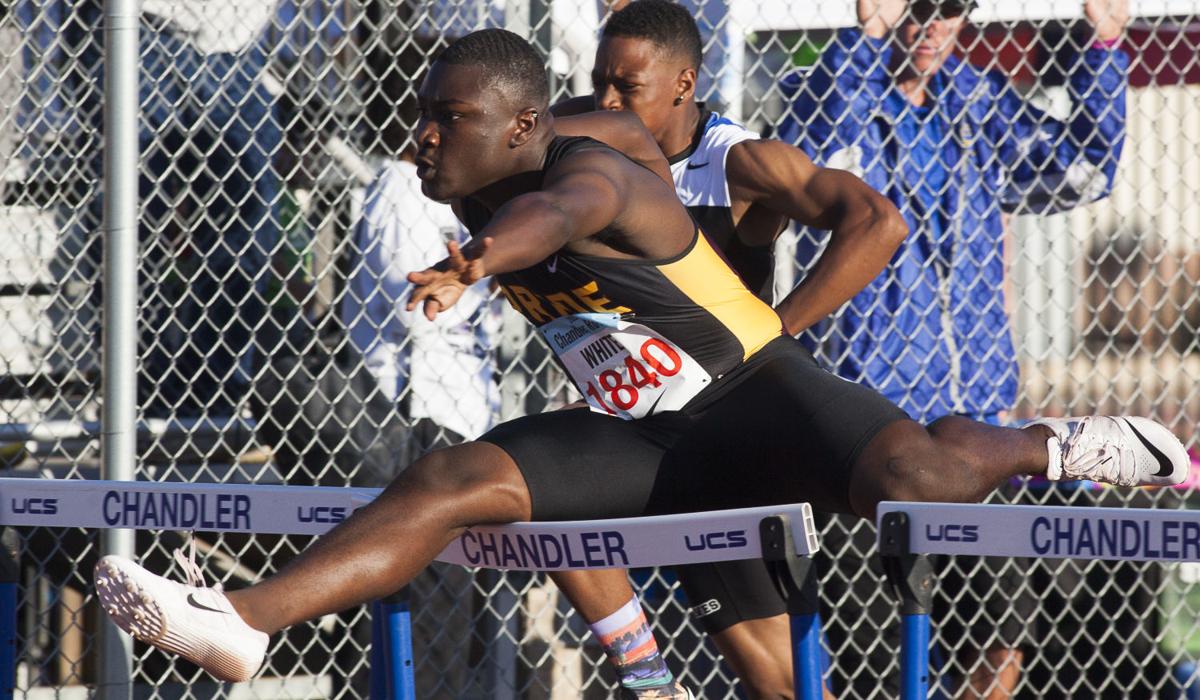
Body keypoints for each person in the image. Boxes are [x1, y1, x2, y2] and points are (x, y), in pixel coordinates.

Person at [93, 28, 1185, 700]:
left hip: (759, 400)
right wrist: (470, 236)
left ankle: (1062, 439)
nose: (423, 137)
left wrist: (476, 260)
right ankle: (240, 622)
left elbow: (563, 211)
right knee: (454, 482)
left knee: (918, 479)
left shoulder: (593, 167)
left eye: (448, 120)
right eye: (422, 117)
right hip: (646, 441)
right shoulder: (493, 149)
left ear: (520, 125)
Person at [548, 1, 917, 695]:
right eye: (600, 81)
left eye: (628, 88)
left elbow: (877, 223)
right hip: (649, 424)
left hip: (733, 429)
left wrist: (775, 329)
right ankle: (651, 682)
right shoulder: (585, 136)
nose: (607, 101)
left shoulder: (738, 163)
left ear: (684, 84)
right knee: (542, 495)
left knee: (778, 686)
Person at [777, 0, 1130, 695]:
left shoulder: (976, 102)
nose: (933, 25)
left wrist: (1104, 49)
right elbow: (797, 155)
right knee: (872, 659)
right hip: (869, 426)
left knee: (1000, 639)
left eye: (953, 8)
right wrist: (867, 37)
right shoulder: (841, 98)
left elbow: (1086, 168)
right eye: (917, 7)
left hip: (975, 424)